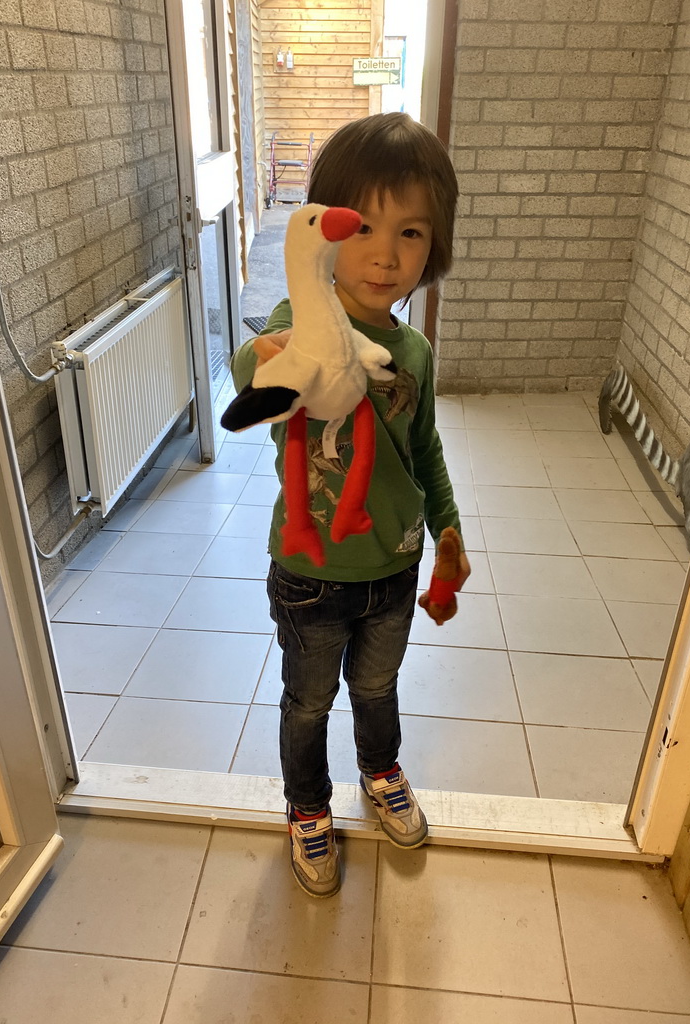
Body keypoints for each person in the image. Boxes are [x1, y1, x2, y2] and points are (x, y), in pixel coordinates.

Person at [230, 112, 470, 898]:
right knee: (308, 701)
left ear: (433, 247)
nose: (385, 252)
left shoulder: (415, 354)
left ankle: (381, 772)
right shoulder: (298, 326)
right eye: (365, 226)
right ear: (328, 228)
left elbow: (426, 451)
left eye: (411, 233)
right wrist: (263, 359)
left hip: (394, 567)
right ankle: (307, 807)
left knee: (376, 689)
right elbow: (252, 366)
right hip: (309, 571)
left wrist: (449, 533)